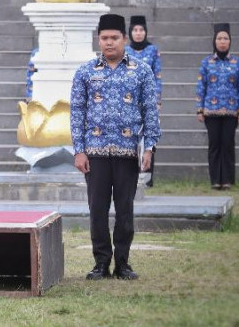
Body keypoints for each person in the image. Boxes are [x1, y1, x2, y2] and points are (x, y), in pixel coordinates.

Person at [70, 14, 160, 280]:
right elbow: (76, 111)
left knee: (124, 209)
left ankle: (122, 263)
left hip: (126, 151)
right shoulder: (86, 71)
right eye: (104, 38)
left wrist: (149, 147)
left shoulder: (141, 70)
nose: (109, 43)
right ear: (98, 39)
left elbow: (149, 111)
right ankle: (100, 263)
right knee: (97, 209)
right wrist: (79, 149)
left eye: (114, 38)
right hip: (94, 152)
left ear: (124, 39)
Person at [196, 23, 239, 190]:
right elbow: (201, 86)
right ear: (214, 41)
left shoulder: (237, 63)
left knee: (228, 145)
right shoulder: (206, 62)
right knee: (215, 146)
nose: (222, 41)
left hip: (231, 111)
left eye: (225, 38)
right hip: (211, 111)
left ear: (230, 41)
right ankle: (215, 181)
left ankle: (228, 180)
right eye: (219, 38)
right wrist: (200, 108)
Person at [125, 15, 162, 187]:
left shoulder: (153, 50)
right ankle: (132, 176)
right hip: (129, 101)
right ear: (130, 32)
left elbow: (158, 77)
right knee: (131, 138)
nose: (138, 33)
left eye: (141, 30)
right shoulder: (125, 51)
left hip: (148, 100)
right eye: (135, 30)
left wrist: (157, 100)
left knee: (149, 137)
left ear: (145, 32)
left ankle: (147, 177)